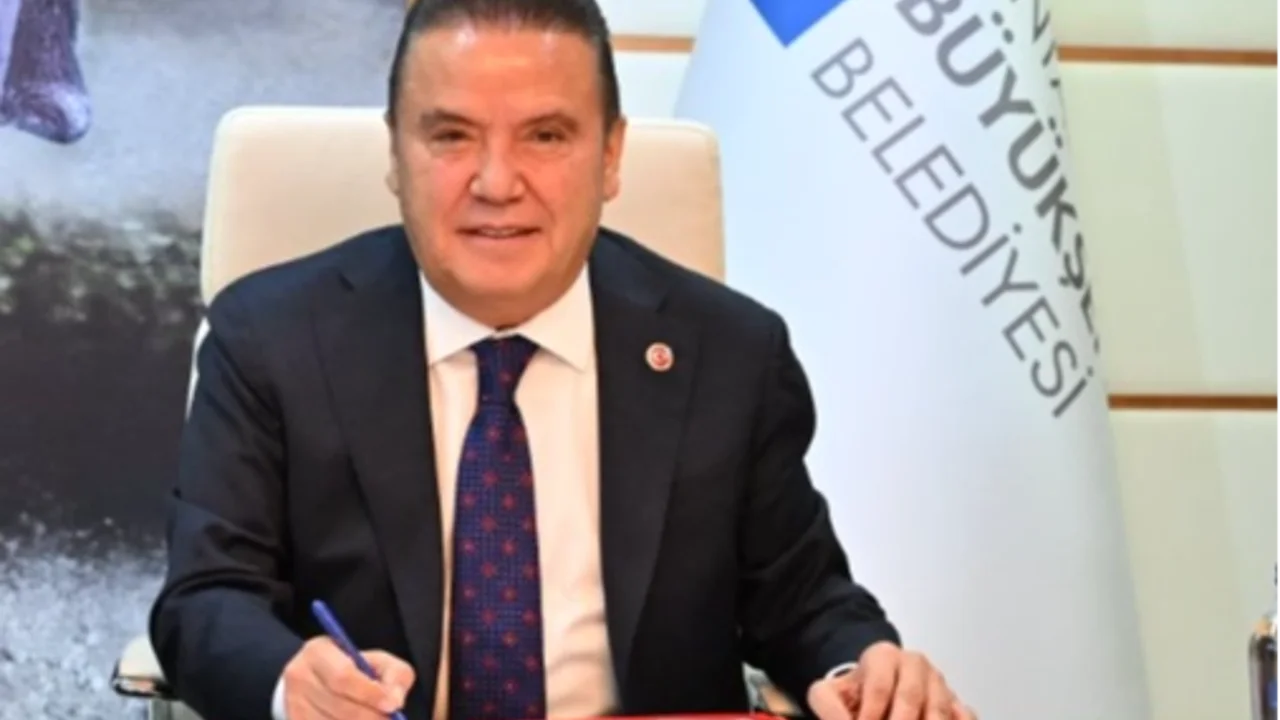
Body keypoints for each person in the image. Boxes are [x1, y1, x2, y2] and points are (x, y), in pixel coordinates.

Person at [148, 1, 977, 719]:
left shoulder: (730, 354)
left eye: (546, 136)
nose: (496, 182)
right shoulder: (270, 340)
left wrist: (858, 668)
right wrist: (292, 684)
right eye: (451, 136)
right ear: (395, 156)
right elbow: (208, 599)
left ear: (612, 156)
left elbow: (802, 601)